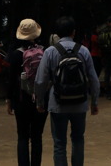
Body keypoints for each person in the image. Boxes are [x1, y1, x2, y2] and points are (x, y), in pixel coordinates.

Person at [35, 15, 99, 166]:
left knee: (59, 143)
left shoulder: (50, 51)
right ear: (73, 32)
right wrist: (94, 102)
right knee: (78, 139)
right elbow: (94, 80)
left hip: (57, 103)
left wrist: (39, 101)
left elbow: (40, 80)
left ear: (57, 33)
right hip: (80, 103)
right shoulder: (83, 50)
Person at [8, 18, 49, 166]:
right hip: (40, 99)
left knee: (23, 137)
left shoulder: (15, 55)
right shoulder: (45, 52)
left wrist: (9, 100)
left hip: (21, 99)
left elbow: (11, 81)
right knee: (37, 137)